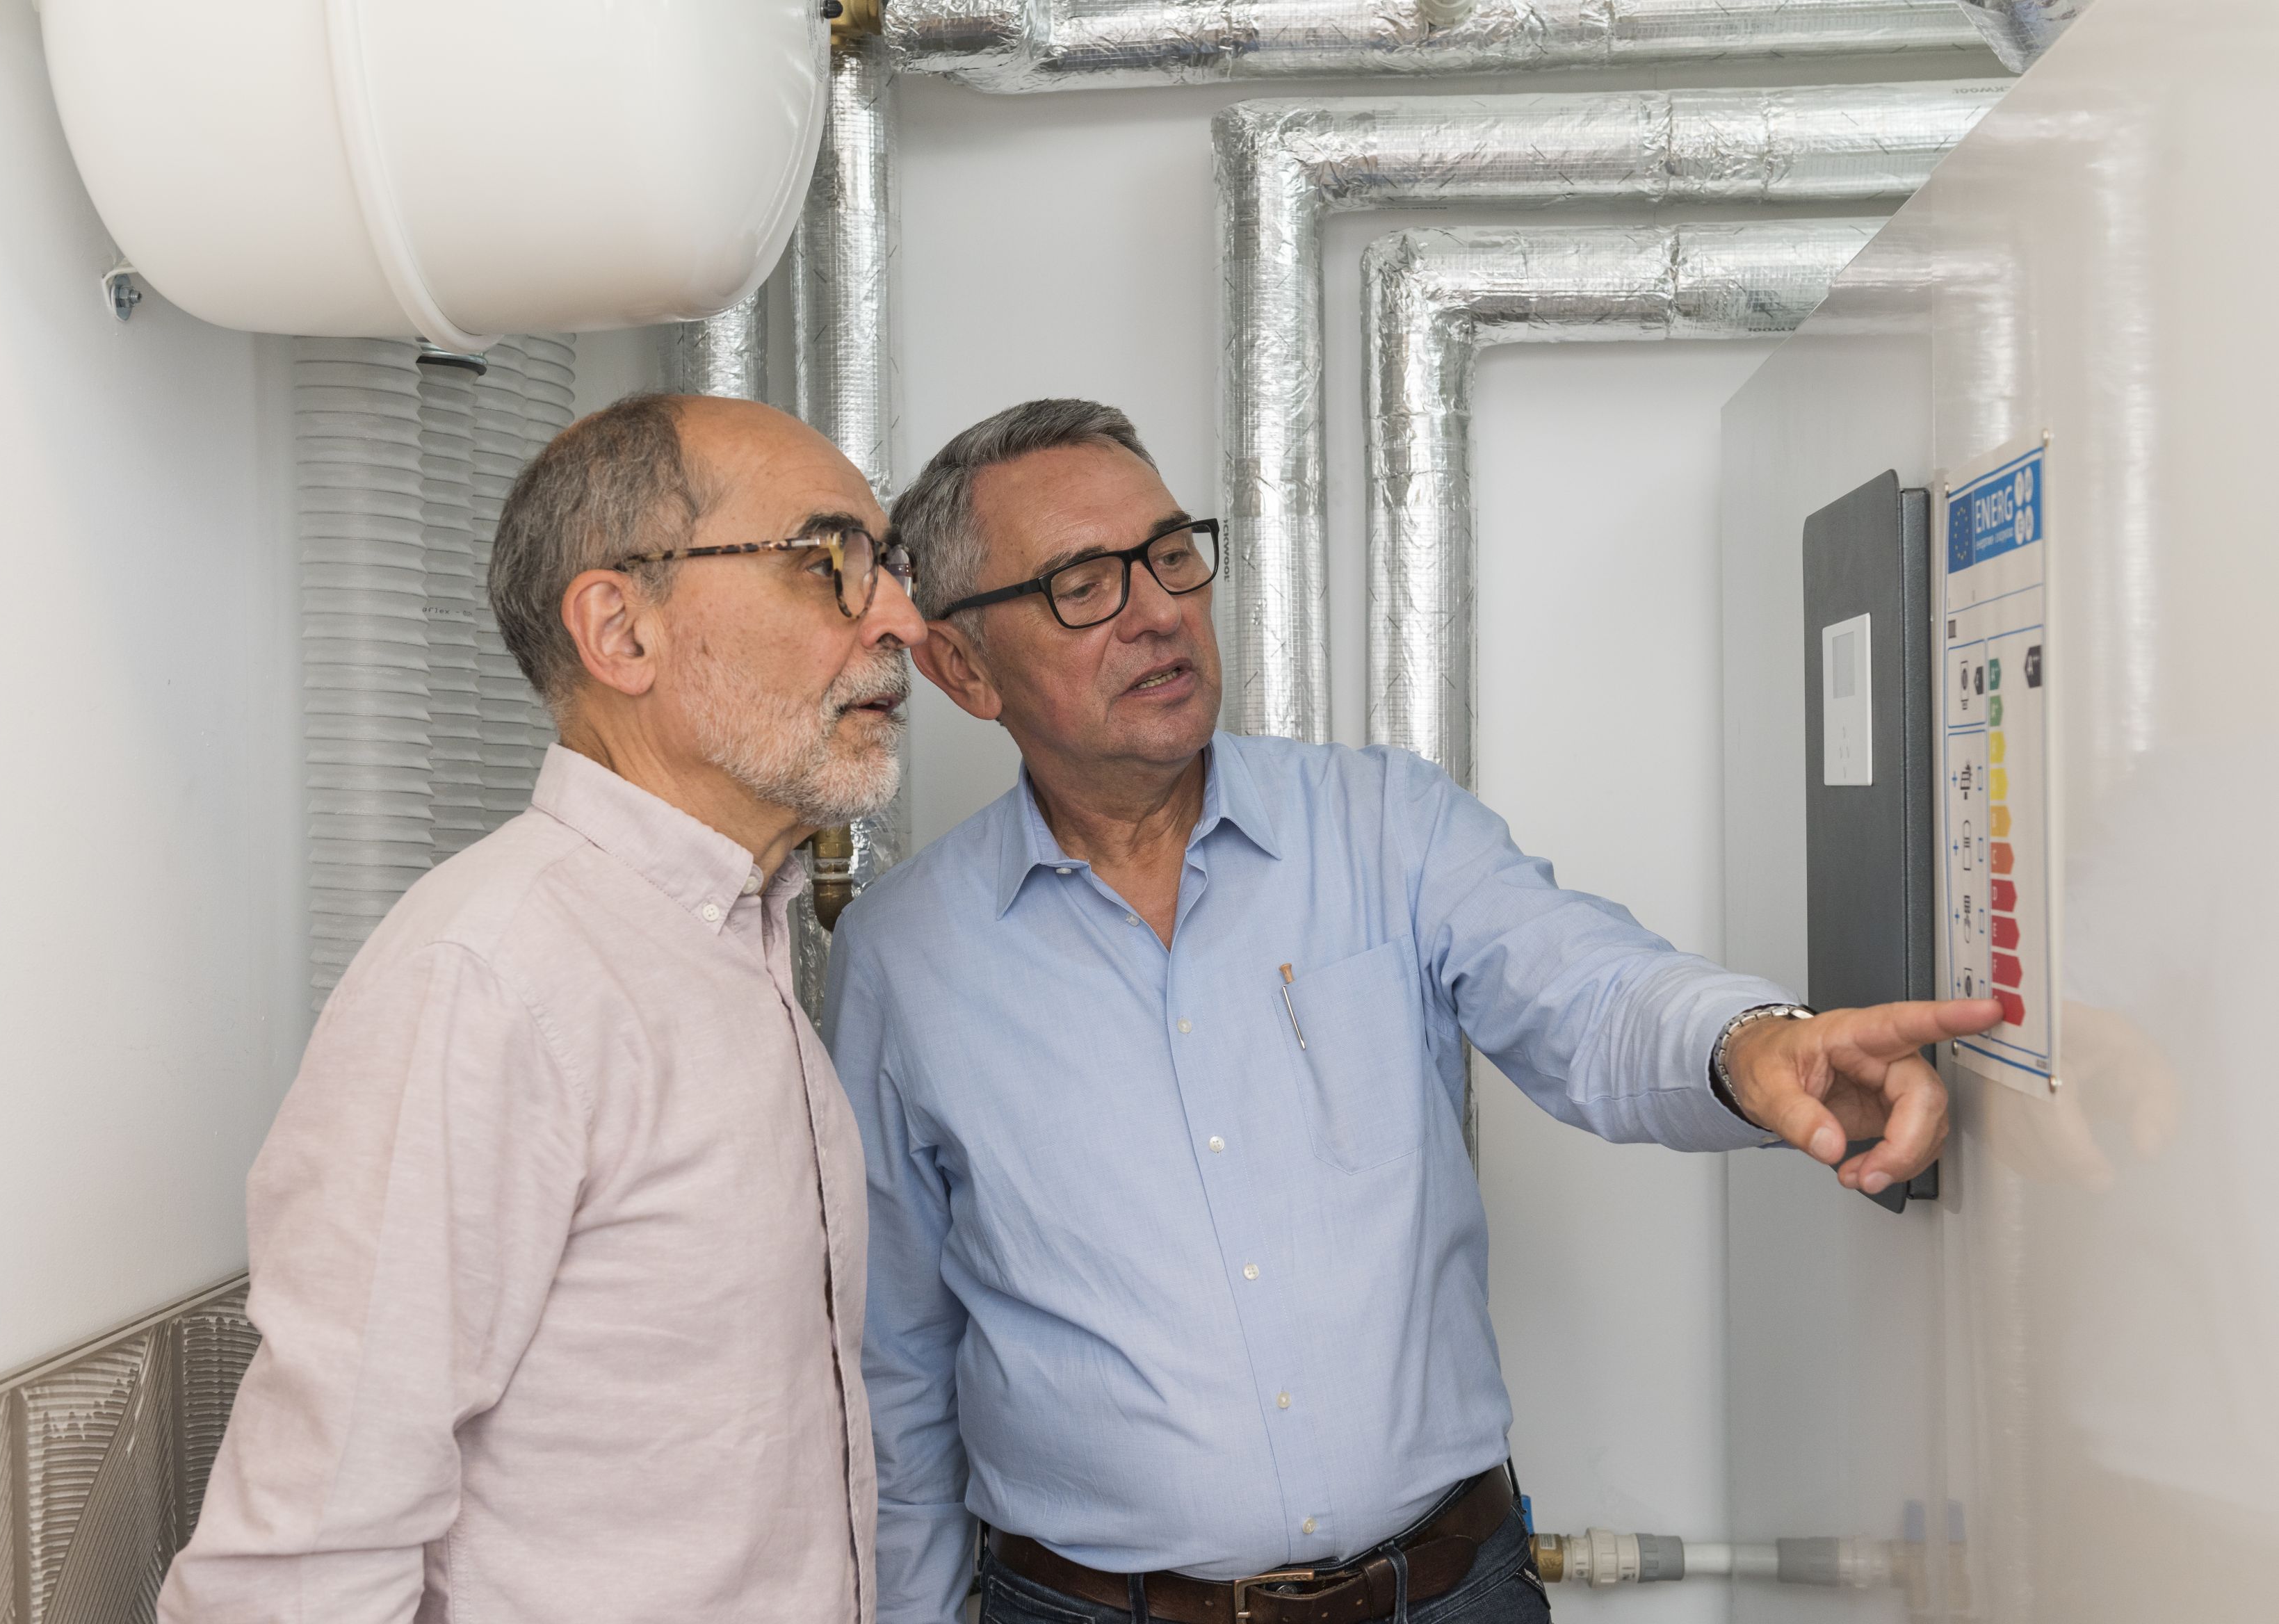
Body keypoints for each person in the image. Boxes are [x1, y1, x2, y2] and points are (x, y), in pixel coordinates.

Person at [824, 398, 1997, 1624]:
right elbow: (892, 1364)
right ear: (961, 666)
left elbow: (1587, 991)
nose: (1160, 607)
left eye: (1170, 553)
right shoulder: (906, 961)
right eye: (1083, 582)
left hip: (1447, 1592)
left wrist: (1753, 1042)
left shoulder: (1387, 825)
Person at [160, 394, 924, 1624]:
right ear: (622, 631)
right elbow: (298, 1570)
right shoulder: (492, 977)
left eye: (889, 566)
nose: (901, 617)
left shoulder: (732, 941)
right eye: (828, 563)